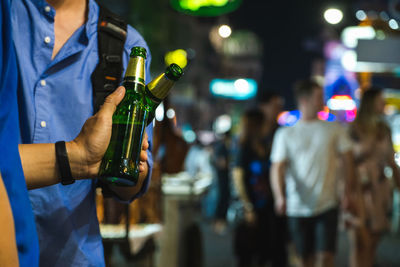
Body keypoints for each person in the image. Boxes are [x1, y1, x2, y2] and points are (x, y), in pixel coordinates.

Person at [11, 0, 153, 265]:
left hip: (72, 254)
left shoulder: (124, 44)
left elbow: (129, 188)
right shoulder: (7, 16)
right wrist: (79, 156)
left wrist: (130, 158)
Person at [270, 79, 355, 267]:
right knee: (303, 259)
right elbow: (277, 167)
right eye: (318, 97)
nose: (322, 101)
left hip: (327, 203)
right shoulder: (285, 133)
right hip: (297, 205)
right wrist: (279, 196)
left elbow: (348, 160)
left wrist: (347, 191)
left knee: (325, 258)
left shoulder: (334, 129)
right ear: (304, 100)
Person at [346, 87, 400, 267]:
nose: (384, 104)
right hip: (358, 189)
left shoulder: (384, 129)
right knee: (359, 241)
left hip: (380, 189)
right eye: (380, 100)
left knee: (373, 242)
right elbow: (347, 161)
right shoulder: (354, 128)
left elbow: (391, 160)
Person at [232, 109, 273, 267]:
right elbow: (238, 179)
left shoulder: (263, 147)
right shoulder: (244, 149)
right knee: (247, 255)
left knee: (264, 253)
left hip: (265, 208)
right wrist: (248, 206)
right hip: (249, 211)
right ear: (258, 126)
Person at [258, 91, 288, 267]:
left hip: (278, 196)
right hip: (257, 196)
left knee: (279, 244)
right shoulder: (253, 130)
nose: (278, 109)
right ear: (264, 106)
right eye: (275, 105)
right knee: (258, 245)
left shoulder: (281, 131)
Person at [212, 130, 232, 234]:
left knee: (224, 198)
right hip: (222, 177)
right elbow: (222, 163)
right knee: (223, 199)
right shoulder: (222, 147)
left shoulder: (222, 147)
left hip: (223, 177)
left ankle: (219, 223)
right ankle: (218, 223)